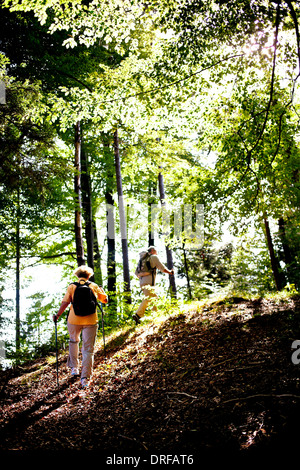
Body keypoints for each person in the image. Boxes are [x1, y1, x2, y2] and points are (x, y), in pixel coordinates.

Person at [53, 265, 108, 388]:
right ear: (89, 276)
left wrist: (57, 315)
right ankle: (85, 379)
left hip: (73, 319)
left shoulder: (72, 286)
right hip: (91, 320)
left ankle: (74, 368)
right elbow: (105, 301)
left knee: (74, 341)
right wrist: (102, 292)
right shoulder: (93, 286)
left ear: (77, 275)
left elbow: (65, 302)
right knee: (88, 349)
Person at [132, 246, 174, 325]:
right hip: (148, 282)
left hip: (142, 282)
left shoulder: (142, 260)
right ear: (152, 251)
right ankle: (138, 315)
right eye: (155, 250)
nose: (156, 253)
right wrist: (170, 272)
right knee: (148, 298)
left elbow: (136, 273)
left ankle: (155, 316)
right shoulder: (153, 257)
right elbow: (162, 268)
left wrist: (143, 274)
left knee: (154, 298)